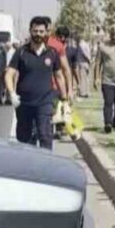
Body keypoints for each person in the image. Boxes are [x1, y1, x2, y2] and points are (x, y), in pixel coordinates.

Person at [6, 16, 71, 148]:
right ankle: (28, 166)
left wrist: (65, 99)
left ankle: (46, 166)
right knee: (25, 140)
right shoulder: (21, 52)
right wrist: (12, 93)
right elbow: (9, 74)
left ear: (46, 32)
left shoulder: (52, 53)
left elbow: (59, 76)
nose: (38, 34)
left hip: (45, 102)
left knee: (45, 135)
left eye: (41, 31)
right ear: (30, 31)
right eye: (35, 31)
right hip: (24, 103)